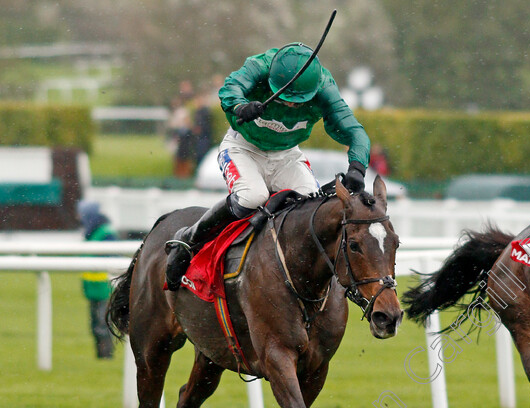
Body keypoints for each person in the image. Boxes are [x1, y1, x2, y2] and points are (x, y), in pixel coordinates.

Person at [164, 43, 371, 290]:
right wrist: (240, 105)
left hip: (287, 156)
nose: (292, 106)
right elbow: (230, 89)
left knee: (311, 211)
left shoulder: (324, 86)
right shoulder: (259, 66)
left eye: (299, 100)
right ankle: (189, 239)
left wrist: (357, 167)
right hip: (243, 148)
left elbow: (355, 132)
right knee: (253, 196)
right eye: (287, 98)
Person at [77, 200, 117, 359]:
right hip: (94, 289)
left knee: (102, 324)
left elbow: (113, 258)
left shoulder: (106, 233)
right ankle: (101, 356)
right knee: (95, 325)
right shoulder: (90, 232)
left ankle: (106, 356)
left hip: (105, 288)